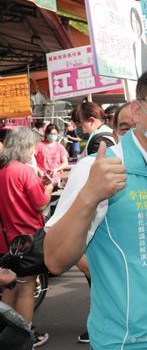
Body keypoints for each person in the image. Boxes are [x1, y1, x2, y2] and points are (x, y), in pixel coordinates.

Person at [44, 66, 147, 350]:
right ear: (137, 109)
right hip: (129, 342)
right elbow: (55, 260)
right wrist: (89, 196)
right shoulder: (98, 168)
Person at [0, 127, 53, 347]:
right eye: (32, 146)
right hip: (28, 238)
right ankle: (24, 335)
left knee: (9, 287)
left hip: (6, 239)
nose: (34, 150)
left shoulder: (3, 170)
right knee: (26, 287)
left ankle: (8, 334)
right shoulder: (23, 171)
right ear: (24, 146)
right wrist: (49, 187)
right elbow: (41, 204)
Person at [130, 7, 147, 79]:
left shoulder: (144, 46)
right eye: (133, 22)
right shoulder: (132, 47)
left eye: (136, 22)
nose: (135, 26)